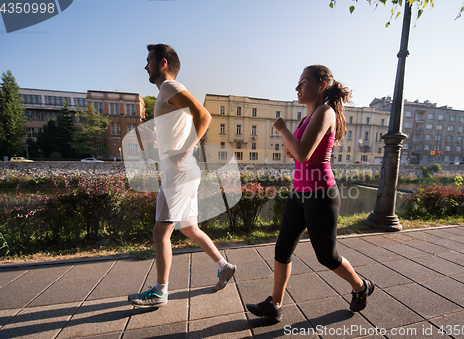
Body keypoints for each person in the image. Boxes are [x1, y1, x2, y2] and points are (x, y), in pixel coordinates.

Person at [246, 65, 373, 322]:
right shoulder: (306, 118)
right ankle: (275, 304)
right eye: (298, 83)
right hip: (299, 193)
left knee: (327, 256)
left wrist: (283, 130)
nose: (297, 88)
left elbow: (301, 154)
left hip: (320, 194)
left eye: (303, 82)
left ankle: (361, 286)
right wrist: (293, 141)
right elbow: (292, 153)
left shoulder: (325, 113)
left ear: (321, 86)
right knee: (282, 248)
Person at [128, 44, 236, 308]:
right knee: (189, 228)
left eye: (149, 61)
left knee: (160, 232)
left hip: (178, 173)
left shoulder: (168, 87)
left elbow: (204, 115)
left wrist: (184, 150)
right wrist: (159, 140)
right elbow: (183, 125)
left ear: (162, 63)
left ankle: (160, 292)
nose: (145, 66)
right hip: (184, 171)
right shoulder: (168, 95)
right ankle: (223, 266)